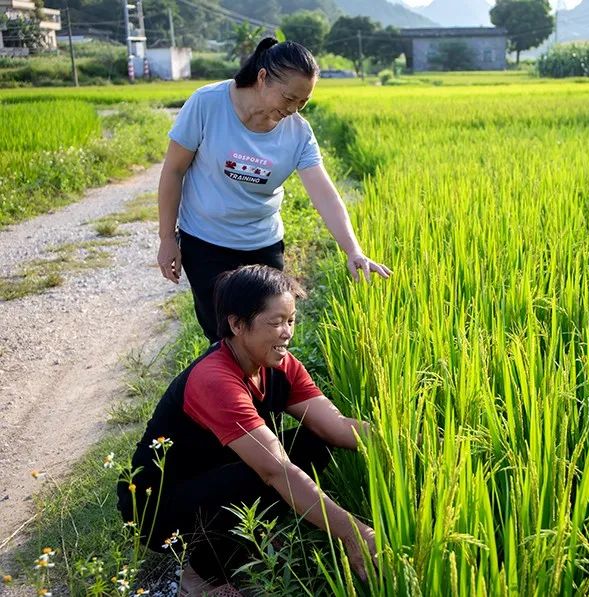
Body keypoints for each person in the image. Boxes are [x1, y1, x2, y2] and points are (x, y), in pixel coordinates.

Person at [117, 265, 377, 595]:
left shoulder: (280, 365)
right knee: (266, 470)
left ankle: (246, 535)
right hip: (159, 506)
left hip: (219, 474)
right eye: (276, 322)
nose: (287, 332)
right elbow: (275, 470)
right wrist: (352, 531)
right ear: (237, 324)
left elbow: (337, 426)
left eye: (291, 320)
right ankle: (198, 573)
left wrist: (407, 444)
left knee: (315, 440)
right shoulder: (214, 379)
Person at [157, 37, 391, 343]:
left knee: (271, 334)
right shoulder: (208, 103)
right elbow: (174, 171)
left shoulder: (298, 133)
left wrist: (353, 249)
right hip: (205, 242)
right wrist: (166, 238)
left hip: (262, 243)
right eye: (288, 98)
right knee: (224, 336)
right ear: (263, 77)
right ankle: (225, 391)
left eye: (302, 102)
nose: (293, 109)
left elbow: (325, 194)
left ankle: (267, 391)